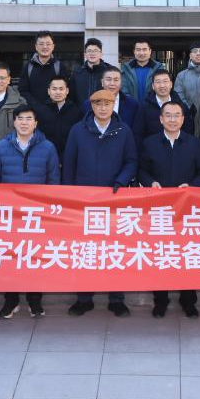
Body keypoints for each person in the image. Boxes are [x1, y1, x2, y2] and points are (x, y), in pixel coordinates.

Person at [63, 89, 138, 317]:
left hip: (115, 199)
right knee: (86, 250)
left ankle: (116, 299)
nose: (103, 108)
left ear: (114, 105)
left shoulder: (123, 130)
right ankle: (84, 299)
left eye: (107, 104)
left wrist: (121, 181)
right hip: (84, 201)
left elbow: (131, 161)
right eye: (98, 104)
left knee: (115, 250)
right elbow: (69, 163)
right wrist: (70, 196)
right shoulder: (78, 130)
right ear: (92, 106)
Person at [138, 100, 200, 318]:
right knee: (161, 254)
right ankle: (160, 300)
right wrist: (150, 182)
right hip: (159, 211)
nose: (172, 119)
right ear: (161, 119)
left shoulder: (194, 143)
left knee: (187, 254)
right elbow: (141, 170)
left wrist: (192, 186)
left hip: (186, 210)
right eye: (167, 115)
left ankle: (189, 301)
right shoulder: (149, 143)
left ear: (183, 119)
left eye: (176, 115)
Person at [0, 104, 60, 319]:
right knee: (10, 257)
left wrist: (48, 210)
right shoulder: (2, 147)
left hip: (36, 215)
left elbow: (53, 181)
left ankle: (34, 300)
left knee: (34, 256)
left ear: (35, 123)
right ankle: (11, 301)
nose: (24, 122)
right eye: (20, 118)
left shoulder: (48, 148)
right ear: (14, 122)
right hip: (9, 214)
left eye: (29, 118)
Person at [83, 68, 142, 145]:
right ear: (102, 82)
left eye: (116, 80)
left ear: (121, 83)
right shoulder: (89, 104)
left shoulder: (132, 105)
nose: (112, 83)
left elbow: (136, 134)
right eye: (108, 79)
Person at [35, 74, 82, 169]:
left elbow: (78, 138)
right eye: (54, 89)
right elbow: (37, 137)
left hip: (69, 160)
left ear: (67, 91)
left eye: (61, 89)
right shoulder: (40, 111)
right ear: (48, 91)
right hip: (45, 159)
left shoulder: (76, 111)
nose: (58, 92)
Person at [20, 30, 69, 107]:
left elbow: (65, 90)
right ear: (36, 47)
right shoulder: (28, 66)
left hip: (54, 109)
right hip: (33, 110)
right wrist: (36, 105)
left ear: (53, 46)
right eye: (41, 44)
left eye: (48, 44)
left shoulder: (59, 66)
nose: (45, 47)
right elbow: (23, 90)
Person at [139, 69, 194, 139]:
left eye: (165, 81)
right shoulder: (144, 107)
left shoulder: (181, 107)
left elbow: (188, 132)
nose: (162, 85)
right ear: (153, 86)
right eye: (158, 82)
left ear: (171, 84)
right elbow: (138, 133)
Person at [120, 38, 167, 103]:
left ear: (150, 51)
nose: (141, 53)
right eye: (138, 50)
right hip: (131, 106)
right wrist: (131, 104)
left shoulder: (158, 68)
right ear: (134, 51)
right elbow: (123, 90)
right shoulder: (126, 68)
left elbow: (162, 89)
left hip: (153, 106)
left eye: (144, 49)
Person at [71, 38, 113, 105]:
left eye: (95, 51)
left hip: (104, 110)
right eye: (89, 51)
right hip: (82, 111)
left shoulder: (110, 71)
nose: (92, 53)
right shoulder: (77, 73)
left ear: (101, 54)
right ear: (85, 54)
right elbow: (72, 97)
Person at [174, 41, 200, 106]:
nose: (198, 53)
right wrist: (189, 110)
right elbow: (178, 97)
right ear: (190, 56)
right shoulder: (181, 76)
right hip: (187, 111)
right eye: (195, 51)